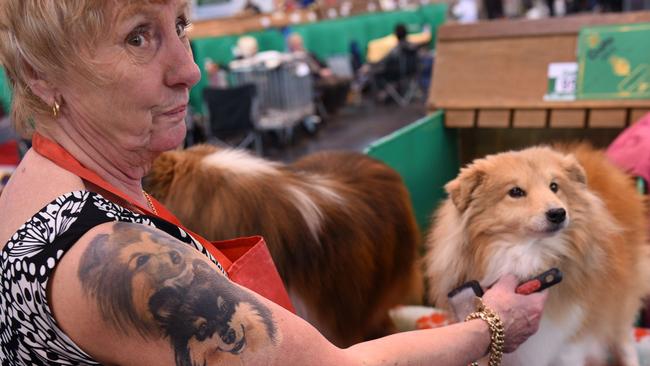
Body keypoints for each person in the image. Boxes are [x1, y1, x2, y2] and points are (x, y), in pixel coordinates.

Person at [0, 1, 547, 365]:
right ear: (38, 73)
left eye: (181, 25)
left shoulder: (44, 184)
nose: (188, 68)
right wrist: (491, 327)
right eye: (138, 37)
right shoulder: (107, 254)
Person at [287, 32, 350, 115]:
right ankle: (330, 108)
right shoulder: (293, 58)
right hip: (312, 80)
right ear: (291, 45)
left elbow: (320, 63)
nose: (299, 45)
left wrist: (325, 69)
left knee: (345, 80)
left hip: (322, 75)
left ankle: (338, 105)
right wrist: (320, 72)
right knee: (331, 85)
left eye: (299, 43)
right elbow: (305, 71)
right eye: (296, 44)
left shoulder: (308, 53)